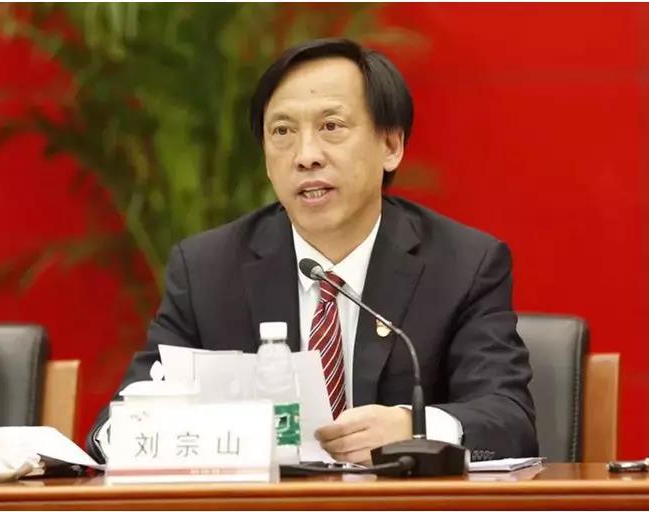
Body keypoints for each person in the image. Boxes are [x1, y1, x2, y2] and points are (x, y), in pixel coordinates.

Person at [87, 38, 538, 464]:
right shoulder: (208, 270)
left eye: (331, 127)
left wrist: (413, 427)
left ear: (391, 145)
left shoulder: (463, 266)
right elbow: (117, 424)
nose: (306, 156)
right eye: (282, 131)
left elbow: (509, 420)